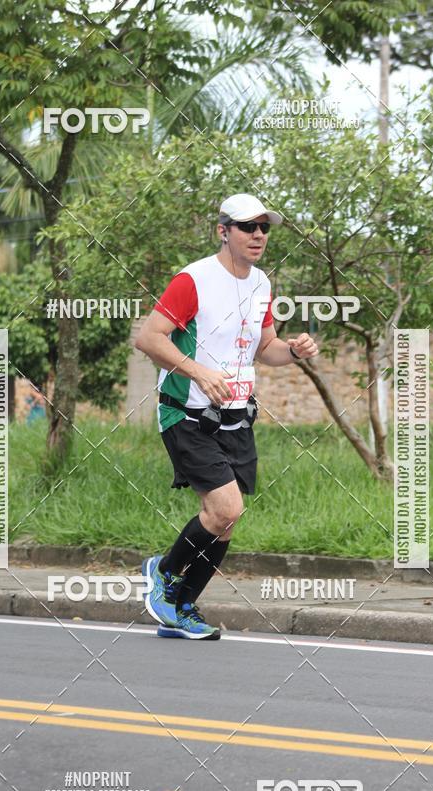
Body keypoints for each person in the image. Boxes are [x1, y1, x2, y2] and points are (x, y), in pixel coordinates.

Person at [136, 193, 319, 640]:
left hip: (236, 416)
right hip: (186, 411)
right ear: (223, 231)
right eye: (247, 227)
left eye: (264, 228)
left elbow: (265, 349)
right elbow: (149, 338)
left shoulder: (260, 284)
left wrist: (293, 352)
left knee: (226, 519)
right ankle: (162, 573)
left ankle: (182, 608)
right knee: (225, 507)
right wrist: (198, 371)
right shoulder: (193, 279)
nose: (258, 235)